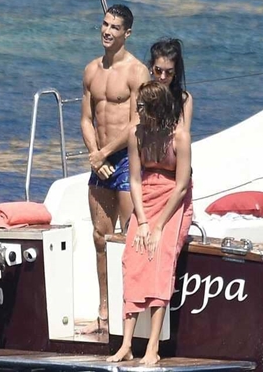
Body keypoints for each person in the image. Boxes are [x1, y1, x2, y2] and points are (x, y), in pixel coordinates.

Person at [106, 81, 193, 365]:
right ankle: (126, 344)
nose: (137, 110)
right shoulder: (137, 133)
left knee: (159, 259)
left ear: (156, 108)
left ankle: (153, 346)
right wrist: (142, 222)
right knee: (133, 258)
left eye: (141, 106)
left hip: (174, 202)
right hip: (145, 198)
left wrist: (158, 227)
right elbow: (134, 179)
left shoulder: (180, 137)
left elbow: (182, 186)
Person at [79, 4, 151, 335]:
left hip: (125, 160)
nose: (107, 31)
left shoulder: (137, 72)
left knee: (128, 239)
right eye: (105, 24)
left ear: (127, 33)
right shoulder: (91, 70)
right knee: (100, 237)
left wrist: (105, 153)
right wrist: (95, 155)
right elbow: (86, 119)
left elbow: (138, 123)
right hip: (100, 161)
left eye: (115, 27)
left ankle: (131, 314)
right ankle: (104, 309)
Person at [148, 38, 193, 132]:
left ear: (175, 72)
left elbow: (183, 133)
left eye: (169, 72)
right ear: (151, 68)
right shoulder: (143, 95)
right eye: (158, 71)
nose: (163, 77)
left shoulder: (183, 99)